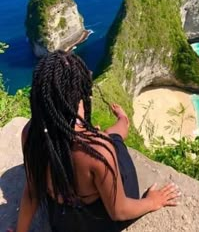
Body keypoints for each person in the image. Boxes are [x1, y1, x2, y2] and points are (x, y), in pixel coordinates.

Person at [16, 50, 180, 232]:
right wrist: (151, 201)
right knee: (113, 141)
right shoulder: (96, 151)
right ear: (81, 94)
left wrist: (19, 230)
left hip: (62, 221)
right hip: (100, 222)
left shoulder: (31, 134)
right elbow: (119, 211)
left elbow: (32, 192)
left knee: (104, 138)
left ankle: (120, 123)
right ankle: (123, 121)